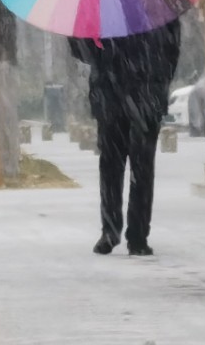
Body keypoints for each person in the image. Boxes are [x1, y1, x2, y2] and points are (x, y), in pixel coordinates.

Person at [69, 19, 181, 256]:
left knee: (141, 168)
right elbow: (83, 53)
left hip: (145, 97)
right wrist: (82, 35)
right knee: (111, 165)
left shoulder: (157, 5)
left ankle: (138, 235)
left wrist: (157, 83)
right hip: (111, 98)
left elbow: (171, 50)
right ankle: (110, 231)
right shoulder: (99, 7)